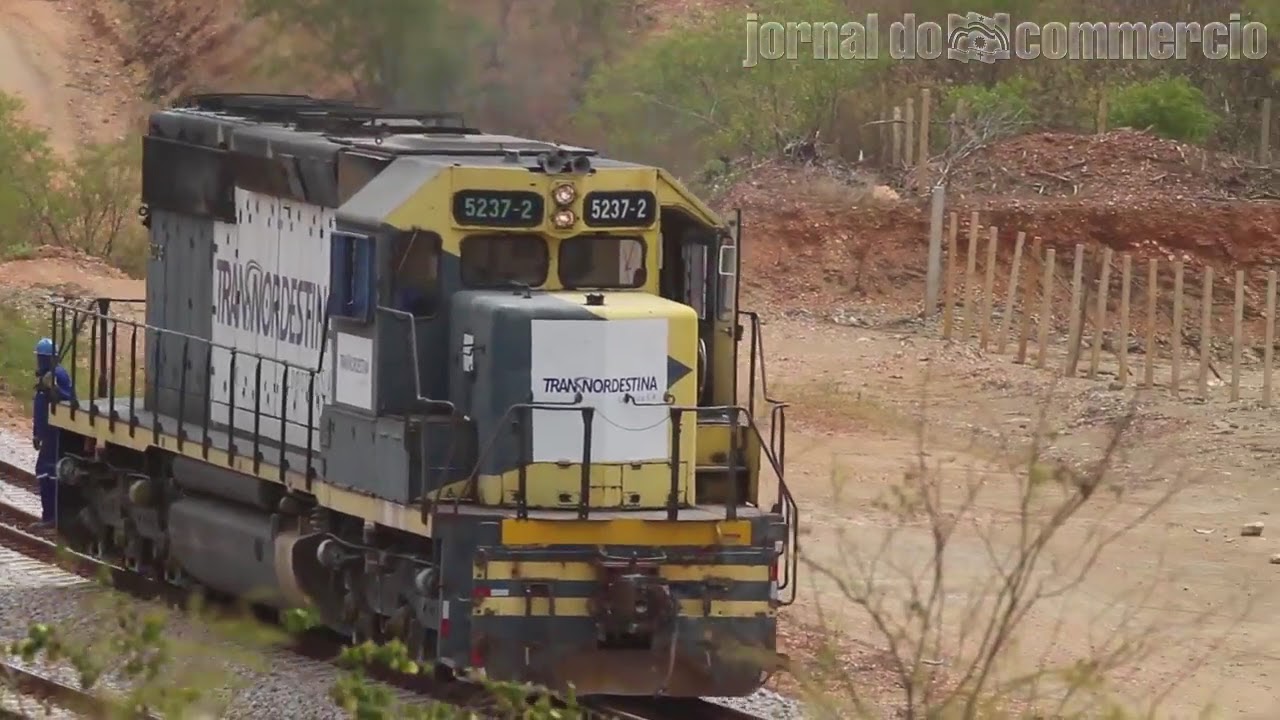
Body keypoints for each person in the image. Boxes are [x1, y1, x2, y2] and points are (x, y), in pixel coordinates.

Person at [32, 338, 75, 528]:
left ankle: (52, 516)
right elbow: (39, 408)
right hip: (47, 432)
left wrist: (54, 389)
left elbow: (70, 399)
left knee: (48, 471)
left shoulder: (58, 375)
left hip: (55, 431)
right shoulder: (46, 375)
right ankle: (50, 515)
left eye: (43, 358)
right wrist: (36, 433)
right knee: (45, 471)